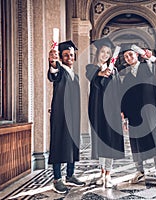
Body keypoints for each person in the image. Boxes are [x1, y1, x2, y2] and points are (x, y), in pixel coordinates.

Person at [120, 44, 156, 190]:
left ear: (136, 55)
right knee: (135, 143)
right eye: (126, 57)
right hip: (134, 115)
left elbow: (152, 66)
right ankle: (140, 171)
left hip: (151, 112)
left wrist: (149, 58)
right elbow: (125, 97)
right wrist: (124, 115)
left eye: (131, 55)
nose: (129, 58)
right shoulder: (127, 76)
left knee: (155, 141)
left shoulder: (146, 68)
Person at [86, 37, 124, 188]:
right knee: (101, 143)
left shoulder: (114, 70)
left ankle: (108, 174)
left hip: (113, 111)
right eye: (103, 51)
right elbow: (91, 77)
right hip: (97, 111)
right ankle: (102, 173)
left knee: (111, 142)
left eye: (108, 52)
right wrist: (101, 73)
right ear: (98, 52)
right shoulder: (92, 68)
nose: (105, 54)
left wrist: (122, 111)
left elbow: (119, 92)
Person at [48, 40, 85, 194]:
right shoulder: (60, 71)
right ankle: (57, 178)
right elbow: (53, 73)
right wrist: (52, 61)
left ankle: (70, 175)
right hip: (60, 115)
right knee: (58, 143)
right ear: (61, 58)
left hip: (73, 116)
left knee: (72, 144)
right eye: (65, 55)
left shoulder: (74, 75)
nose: (69, 57)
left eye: (71, 55)